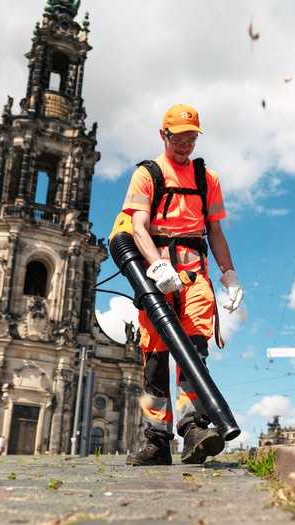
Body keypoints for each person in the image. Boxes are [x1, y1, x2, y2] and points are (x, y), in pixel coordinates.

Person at [116, 104, 243, 466]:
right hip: (156, 277)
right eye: (179, 137)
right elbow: (137, 226)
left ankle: (193, 430)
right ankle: (156, 440)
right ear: (164, 135)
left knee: (195, 352)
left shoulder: (208, 178)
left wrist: (229, 274)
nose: (186, 144)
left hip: (194, 276)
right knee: (155, 358)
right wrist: (156, 265)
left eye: (192, 137)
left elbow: (215, 231)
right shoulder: (148, 174)